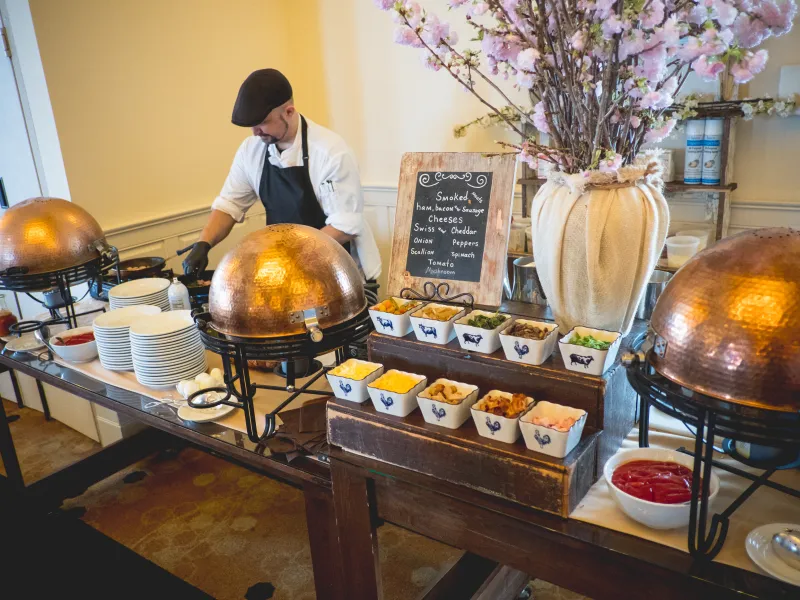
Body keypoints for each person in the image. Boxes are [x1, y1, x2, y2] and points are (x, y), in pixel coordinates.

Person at [182, 68, 381, 282]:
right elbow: (230, 205)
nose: (255, 132)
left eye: (263, 122)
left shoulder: (330, 152)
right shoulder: (252, 150)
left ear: (289, 111)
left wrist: (289, 256)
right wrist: (204, 243)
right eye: (252, 125)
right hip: (287, 271)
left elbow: (344, 226)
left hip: (338, 270)